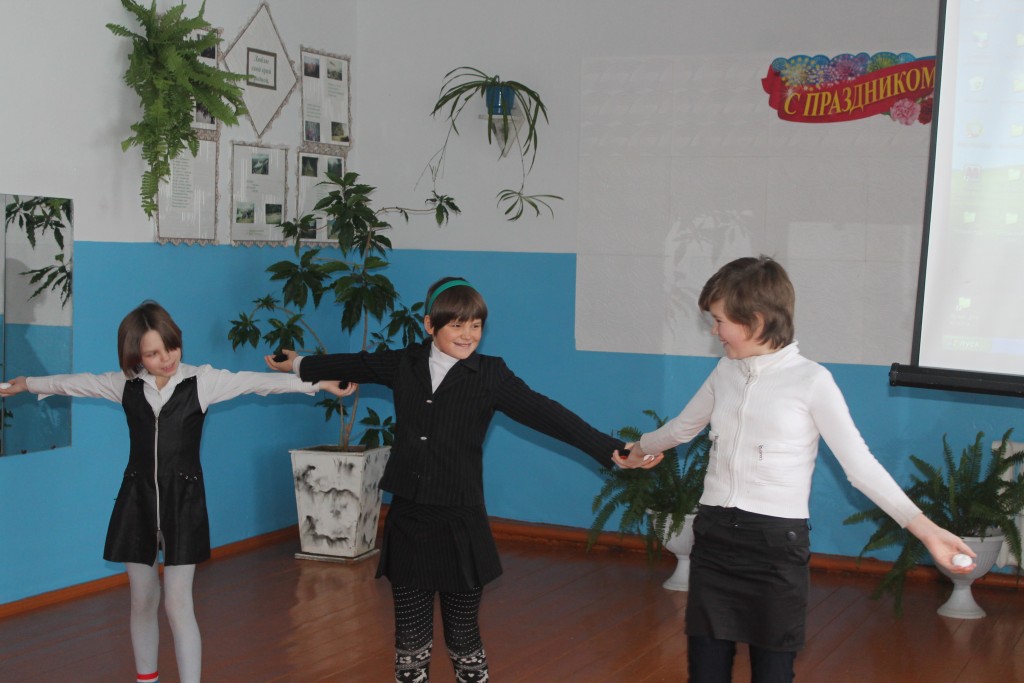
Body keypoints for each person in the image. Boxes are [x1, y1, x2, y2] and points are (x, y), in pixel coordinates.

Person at [265, 276, 660, 683]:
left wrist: (613, 449)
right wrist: (296, 363)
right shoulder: (405, 363)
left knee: (463, 636)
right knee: (410, 638)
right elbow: (354, 364)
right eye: (457, 325)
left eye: (476, 325)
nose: (468, 334)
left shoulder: (491, 375)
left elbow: (548, 414)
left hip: (460, 519)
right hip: (409, 517)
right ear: (429, 325)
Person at [615, 256, 976, 683]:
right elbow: (683, 427)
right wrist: (639, 449)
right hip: (713, 535)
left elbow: (860, 467)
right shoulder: (725, 372)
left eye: (719, 321)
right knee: (706, 668)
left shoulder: (811, 381)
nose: (714, 332)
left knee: (773, 670)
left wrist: (927, 530)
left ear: (756, 320)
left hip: (775, 545)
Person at [0, 301, 348, 683]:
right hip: (136, 502)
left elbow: (258, 383)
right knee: (142, 599)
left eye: (170, 347)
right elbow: (75, 383)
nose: (165, 359)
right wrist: (27, 383)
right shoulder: (125, 384)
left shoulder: (203, 381)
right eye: (152, 354)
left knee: (178, 603)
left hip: (183, 504)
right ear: (136, 356)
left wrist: (319, 383)